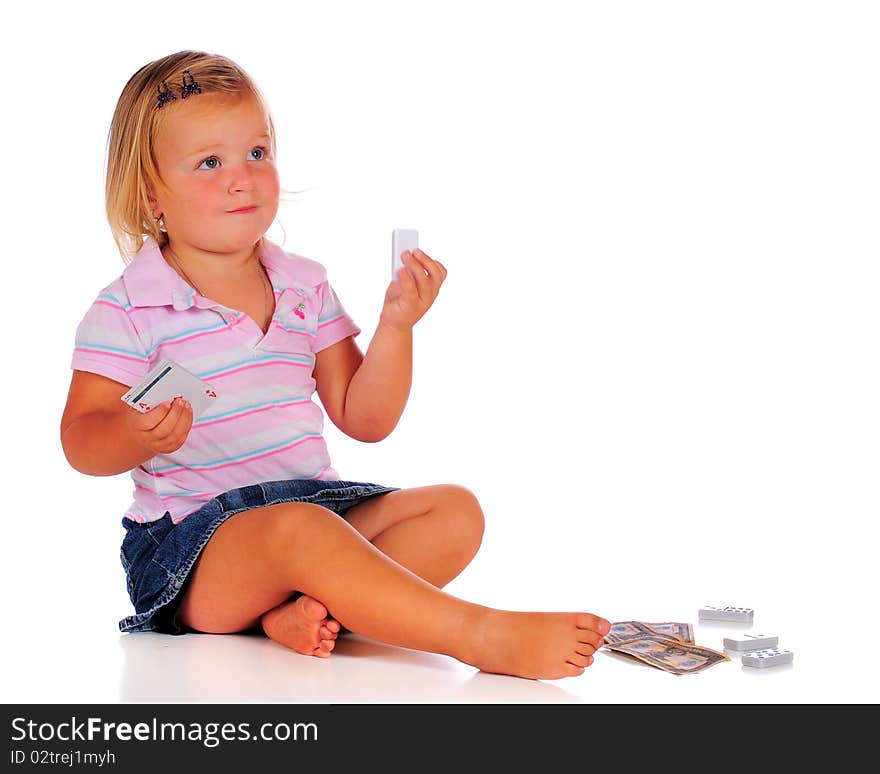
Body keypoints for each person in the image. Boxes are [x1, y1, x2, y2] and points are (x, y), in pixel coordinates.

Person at [60, 50, 610, 681]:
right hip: (195, 549)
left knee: (455, 512)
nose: (242, 177)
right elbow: (80, 440)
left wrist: (396, 326)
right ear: (150, 194)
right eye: (210, 162)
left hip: (318, 511)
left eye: (256, 153)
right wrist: (130, 434)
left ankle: (298, 613)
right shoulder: (128, 307)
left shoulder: (304, 285)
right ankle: (476, 632)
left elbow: (365, 417)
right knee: (299, 531)